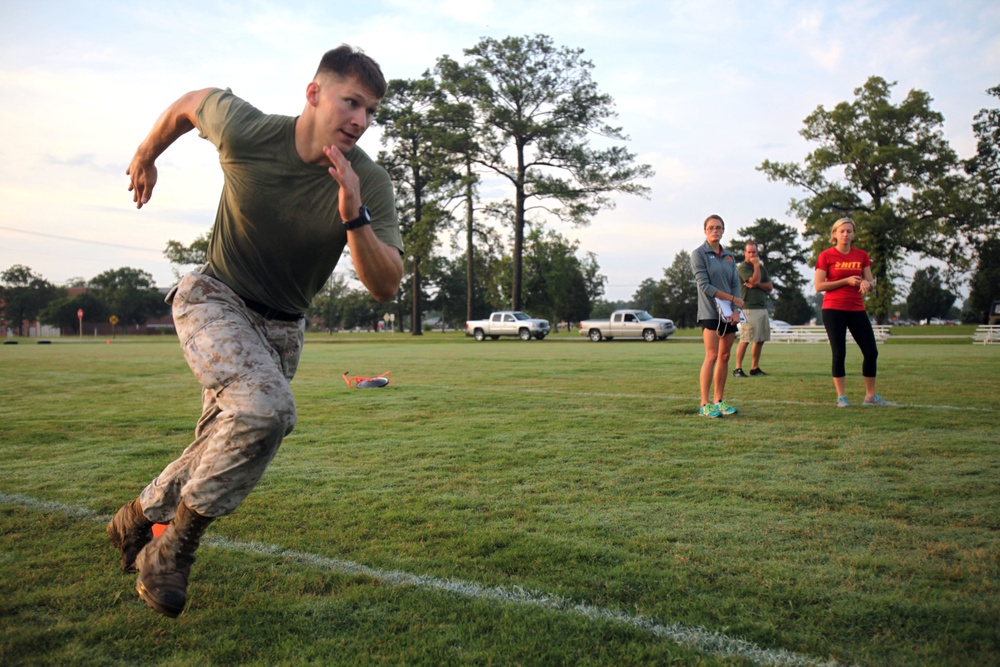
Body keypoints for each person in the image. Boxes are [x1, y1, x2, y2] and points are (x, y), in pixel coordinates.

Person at [106, 45, 404, 618]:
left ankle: (137, 519)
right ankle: (170, 553)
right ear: (314, 94)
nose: (361, 121)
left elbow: (385, 284)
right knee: (268, 412)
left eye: (370, 111)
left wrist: (353, 213)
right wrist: (146, 154)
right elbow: (191, 104)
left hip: (282, 330)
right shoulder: (249, 132)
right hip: (214, 299)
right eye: (351, 102)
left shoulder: (368, 182)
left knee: (227, 437)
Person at [814, 217, 891, 408]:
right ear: (835, 234)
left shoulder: (861, 255)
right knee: (839, 352)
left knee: (871, 351)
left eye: (849, 231)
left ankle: (870, 397)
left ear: (854, 234)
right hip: (833, 309)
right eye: (842, 231)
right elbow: (819, 285)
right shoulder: (826, 256)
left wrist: (867, 284)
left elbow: (871, 283)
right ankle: (841, 396)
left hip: (856, 308)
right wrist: (846, 281)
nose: (845, 234)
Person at [691, 215, 744, 418]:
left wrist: (736, 308)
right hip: (710, 312)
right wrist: (732, 298)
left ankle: (719, 401)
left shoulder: (729, 256)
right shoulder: (699, 254)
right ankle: (705, 404)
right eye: (711, 228)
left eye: (719, 228)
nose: (715, 231)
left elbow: (735, 283)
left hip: (729, 313)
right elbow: (704, 286)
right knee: (712, 355)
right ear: (705, 230)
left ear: (723, 231)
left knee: (725, 356)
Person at [733, 242, 773, 377]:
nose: (752, 255)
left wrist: (758, 284)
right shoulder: (743, 268)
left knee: (760, 339)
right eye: (749, 252)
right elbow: (754, 280)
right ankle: (738, 369)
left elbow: (769, 286)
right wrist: (756, 266)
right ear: (744, 253)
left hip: (762, 307)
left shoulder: (762, 268)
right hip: (748, 308)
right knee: (746, 339)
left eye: (754, 252)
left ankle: (754, 368)